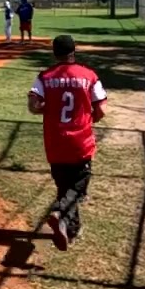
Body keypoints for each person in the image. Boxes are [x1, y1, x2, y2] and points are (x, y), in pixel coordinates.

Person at [27, 35, 107, 251]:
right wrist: (89, 118)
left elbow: (33, 106)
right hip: (81, 142)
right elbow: (101, 109)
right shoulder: (89, 75)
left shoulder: (45, 77)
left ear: (54, 53)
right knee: (77, 189)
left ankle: (70, 228)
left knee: (64, 187)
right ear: (74, 51)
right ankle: (59, 212)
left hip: (55, 143)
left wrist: (49, 108)